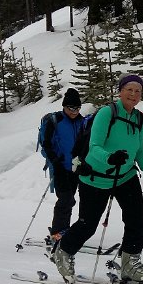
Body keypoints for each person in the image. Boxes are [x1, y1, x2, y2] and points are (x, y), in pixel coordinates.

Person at [53, 74, 143, 284]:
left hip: (125, 176)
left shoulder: (139, 118)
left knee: (136, 219)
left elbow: (139, 150)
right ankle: (64, 251)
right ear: (120, 91)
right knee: (88, 225)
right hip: (96, 178)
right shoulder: (107, 113)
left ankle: (130, 262)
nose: (133, 94)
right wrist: (110, 157)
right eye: (129, 89)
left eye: (138, 91)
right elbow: (94, 148)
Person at [40, 88, 86, 243]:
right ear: (64, 107)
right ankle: (57, 232)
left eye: (77, 108)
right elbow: (46, 144)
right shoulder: (56, 120)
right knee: (65, 198)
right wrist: (55, 161)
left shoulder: (83, 121)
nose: (74, 111)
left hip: (76, 167)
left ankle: (64, 228)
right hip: (59, 167)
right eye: (71, 108)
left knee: (70, 199)